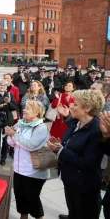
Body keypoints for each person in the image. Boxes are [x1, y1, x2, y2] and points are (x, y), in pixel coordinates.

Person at [48, 90, 104, 219]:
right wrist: (59, 146)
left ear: (88, 108)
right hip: (71, 181)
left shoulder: (96, 130)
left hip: (85, 186)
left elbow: (88, 162)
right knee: (73, 210)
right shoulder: (75, 123)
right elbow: (70, 142)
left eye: (75, 104)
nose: (71, 106)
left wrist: (61, 150)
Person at [5, 100, 50, 219]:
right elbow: (11, 143)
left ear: (36, 113)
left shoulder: (41, 128)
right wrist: (11, 135)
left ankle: (38, 217)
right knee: (20, 197)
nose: (24, 110)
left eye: (28, 108)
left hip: (33, 172)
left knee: (32, 199)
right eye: (25, 107)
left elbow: (31, 145)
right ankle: (23, 217)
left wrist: (14, 135)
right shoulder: (20, 124)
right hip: (19, 169)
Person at [0, 79, 17, 165]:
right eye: (0, 85)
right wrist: (0, 106)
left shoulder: (10, 95)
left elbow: (14, 107)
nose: (2, 87)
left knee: (6, 140)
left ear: (7, 87)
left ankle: (3, 158)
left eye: (4, 86)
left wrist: (9, 103)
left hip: (7, 120)